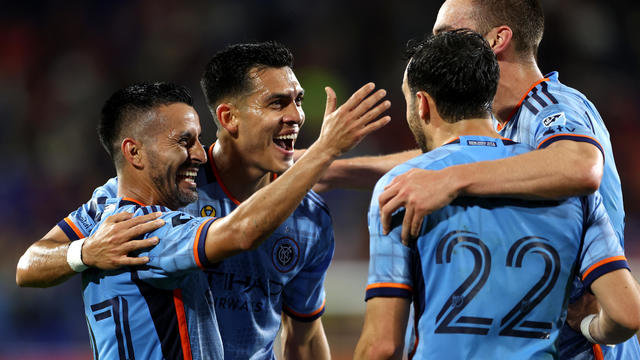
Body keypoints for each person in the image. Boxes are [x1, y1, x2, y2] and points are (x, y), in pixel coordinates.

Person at [16, 42, 391, 359]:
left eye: (298, 101)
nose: (295, 116)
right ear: (228, 117)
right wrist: (83, 250)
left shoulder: (309, 217)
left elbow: (304, 335)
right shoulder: (159, 199)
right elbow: (28, 265)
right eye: (278, 103)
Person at [354, 29, 640, 360]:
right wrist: (590, 326)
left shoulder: (403, 187)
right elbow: (627, 315)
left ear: (421, 104)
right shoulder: (569, 190)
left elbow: (382, 346)